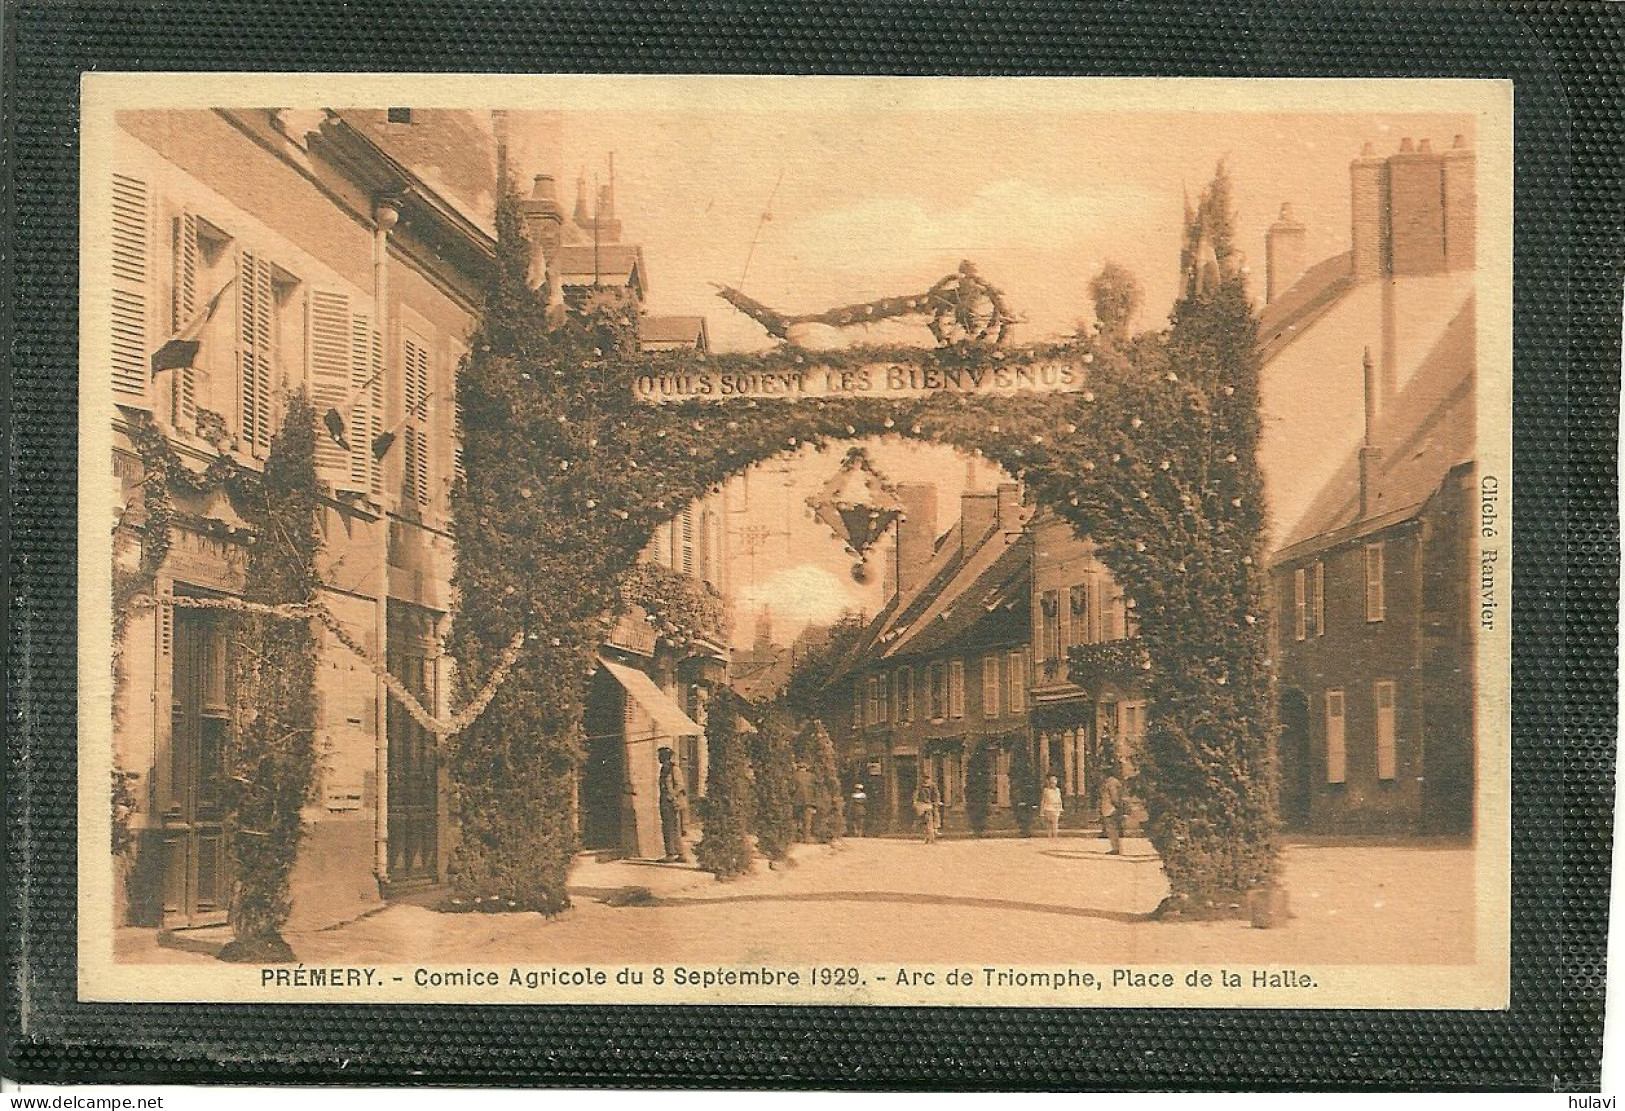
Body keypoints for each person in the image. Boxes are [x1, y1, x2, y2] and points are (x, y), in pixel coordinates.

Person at [657, 746, 690, 863]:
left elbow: (680, 785)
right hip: (665, 801)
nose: (658, 758)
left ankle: (672, 854)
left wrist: (672, 796)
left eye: (660, 756)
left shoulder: (674, 769)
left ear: (665, 757)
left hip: (672, 802)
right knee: (670, 827)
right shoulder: (664, 769)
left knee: (671, 828)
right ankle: (679, 853)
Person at [1099, 763, 1125, 855]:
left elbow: (1114, 796)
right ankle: (1116, 847)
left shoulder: (1111, 783)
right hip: (1110, 807)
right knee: (1113, 829)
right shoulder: (1112, 781)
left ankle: (1116, 848)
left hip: (1110, 808)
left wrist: (1116, 805)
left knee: (1112, 829)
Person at [793, 762, 817, 842]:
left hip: (797, 800)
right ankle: (807, 838)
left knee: (797, 820)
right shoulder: (812, 776)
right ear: (806, 768)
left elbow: (791, 788)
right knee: (807, 821)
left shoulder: (794, 776)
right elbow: (816, 789)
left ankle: (796, 838)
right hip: (809, 801)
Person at [913, 777, 941, 844]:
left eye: (927, 780)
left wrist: (937, 801)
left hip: (931, 804)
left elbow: (936, 794)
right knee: (926, 821)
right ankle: (930, 836)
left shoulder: (933, 786)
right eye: (925, 780)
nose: (926, 781)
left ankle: (934, 831)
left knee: (934, 817)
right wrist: (915, 802)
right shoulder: (920, 787)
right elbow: (916, 795)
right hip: (924, 805)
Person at [1040, 774, 1063, 840]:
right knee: (1049, 823)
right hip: (1048, 807)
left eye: (1054, 783)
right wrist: (1041, 811)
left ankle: (1055, 836)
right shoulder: (1046, 790)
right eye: (1052, 783)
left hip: (1056, 808)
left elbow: (1059, 799)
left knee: (1055, 823)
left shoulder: (1058, 790)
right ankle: (1049, 836)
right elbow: (1043, 800)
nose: (1053, 784)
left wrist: (1060, 807)